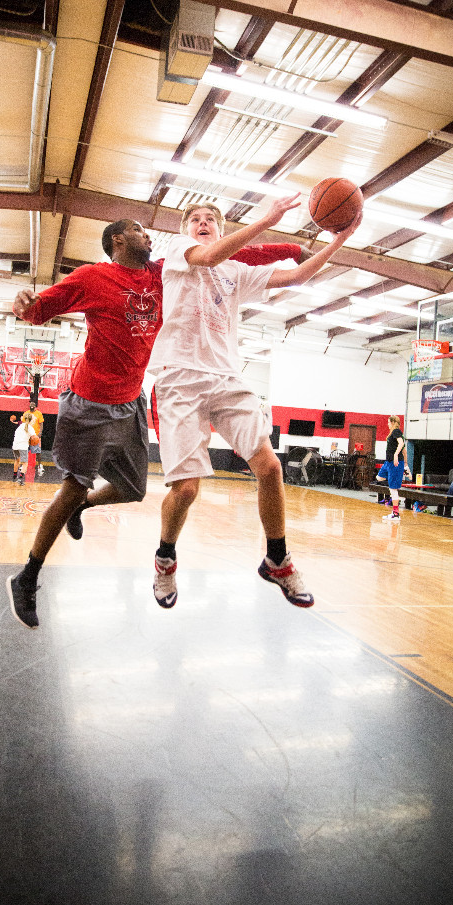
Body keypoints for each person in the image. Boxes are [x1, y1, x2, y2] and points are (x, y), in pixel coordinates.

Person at [6, 209, 307, 629]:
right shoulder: (93, 277)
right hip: (89, 402)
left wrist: (292, 248)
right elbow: (38, 312)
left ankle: (83, 507)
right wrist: (23, 300)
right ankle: (28, 575)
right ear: (117, 242)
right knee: (73, 487)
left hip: (131, 402)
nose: (147, 235)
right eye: (137, 230)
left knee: (132, 490)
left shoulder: (165, 272)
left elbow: (241, 253)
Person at [148, 199, 363, 611]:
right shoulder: (179, 251)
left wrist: (341, 239)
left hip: (227, 377)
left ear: (222, 225)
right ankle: (165, 558)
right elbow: (210, 254)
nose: (203, 223)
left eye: (211, 218)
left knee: (270, 465)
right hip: (180, 379)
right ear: (186, 229)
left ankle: (277, 559)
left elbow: (298, 275)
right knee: (187, 490)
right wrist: (268, 221)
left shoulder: (237, 273)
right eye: (196, 219)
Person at [375, 415, 412, 523]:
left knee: (393, 489)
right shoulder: (393, 434)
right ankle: (403, 472)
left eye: (388, 422)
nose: (387, 424)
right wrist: (405, 464)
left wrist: (396, 455)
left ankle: (396, 514)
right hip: (389, 463)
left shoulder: (396, 431)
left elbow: (401, 444)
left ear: (392, 422)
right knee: (379, 477)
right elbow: (404, 451)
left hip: (395, 463)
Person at [12, 412, 37, 485]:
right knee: (25, 463)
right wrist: (36, 439)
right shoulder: (30, 428)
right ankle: (20, 479)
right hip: (23, 446)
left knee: (17, 460)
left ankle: (14, 476)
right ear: (31, 420)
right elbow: (34, 438)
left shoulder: (20, 426)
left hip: (15, 446)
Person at [22, 401, 45, 476]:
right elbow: (23, 424)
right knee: (24, 450)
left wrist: (40, 433)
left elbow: (41, 424)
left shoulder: (39, 413)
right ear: (29, 406)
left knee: (38, 452)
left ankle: (40, 465)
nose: (31, 405)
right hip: (28, 435)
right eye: (30, 404)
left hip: (35, 436)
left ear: (35, 406)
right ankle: (23, 465)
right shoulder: (26, 413)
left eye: (33, 405)